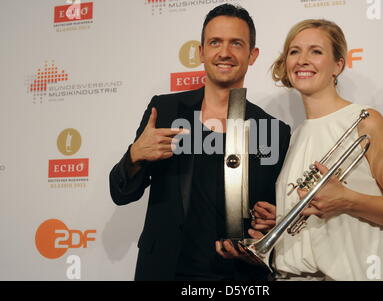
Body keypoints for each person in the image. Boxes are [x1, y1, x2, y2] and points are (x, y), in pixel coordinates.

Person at [109, 4, 291, 281]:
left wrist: (273, 219)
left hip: (239, 276)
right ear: (201, 51)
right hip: (164, 270)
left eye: (236, 43)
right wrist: (134, 156)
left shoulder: (275, 131)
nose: (225, 53)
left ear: (252, 55)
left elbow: (273, 217)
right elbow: (121, 193)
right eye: (215, 42)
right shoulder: (166, 110)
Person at [270, 19, 383, 281]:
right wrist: (284, 215)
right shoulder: (296, 136)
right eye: (295, 51)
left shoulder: (365, 120)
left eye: (316, 51)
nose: (302, 60)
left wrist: (347, 200)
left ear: (338, 65)